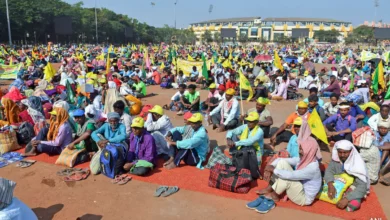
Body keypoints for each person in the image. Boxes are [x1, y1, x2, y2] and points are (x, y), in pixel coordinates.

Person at [251, 134, 322, 211]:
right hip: (299, 188)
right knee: (282, 163)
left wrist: (273, 170)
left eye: (302, 149)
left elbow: (291, 175)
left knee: (285, 177)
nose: (299, 151)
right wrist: (270, 167)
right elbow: (280, 161)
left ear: (309, 151)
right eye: (300, 148)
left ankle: (274, 195)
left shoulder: (313, 168)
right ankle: (270, 188)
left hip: (303, 198)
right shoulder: (304, 159)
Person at [324, 140, 369, 212]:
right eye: (340, 152)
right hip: (339, 181)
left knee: (354, 203)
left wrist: (347, 199)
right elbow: (329, 171)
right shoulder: (336, 159)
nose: (342, 155)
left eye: (345, 152)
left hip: (352, 186)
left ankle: (347, 198)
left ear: (351, 152)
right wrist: (330, 185)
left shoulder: (357, 163)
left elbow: (362, 186)